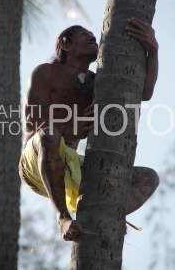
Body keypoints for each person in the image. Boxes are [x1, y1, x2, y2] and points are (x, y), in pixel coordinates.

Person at [19, 18, 159, 241]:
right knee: (50, 135)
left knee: (148, 178)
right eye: (84, 35)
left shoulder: (98, 82)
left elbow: (143, 93)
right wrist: (69, 128)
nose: (92, 37)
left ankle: (109, 214)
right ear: (65, 45)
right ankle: (62, 217)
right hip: (35, 161)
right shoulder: (45, 73)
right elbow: (31, 123)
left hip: (72, 163)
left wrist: (153, 51)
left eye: (93, 35)